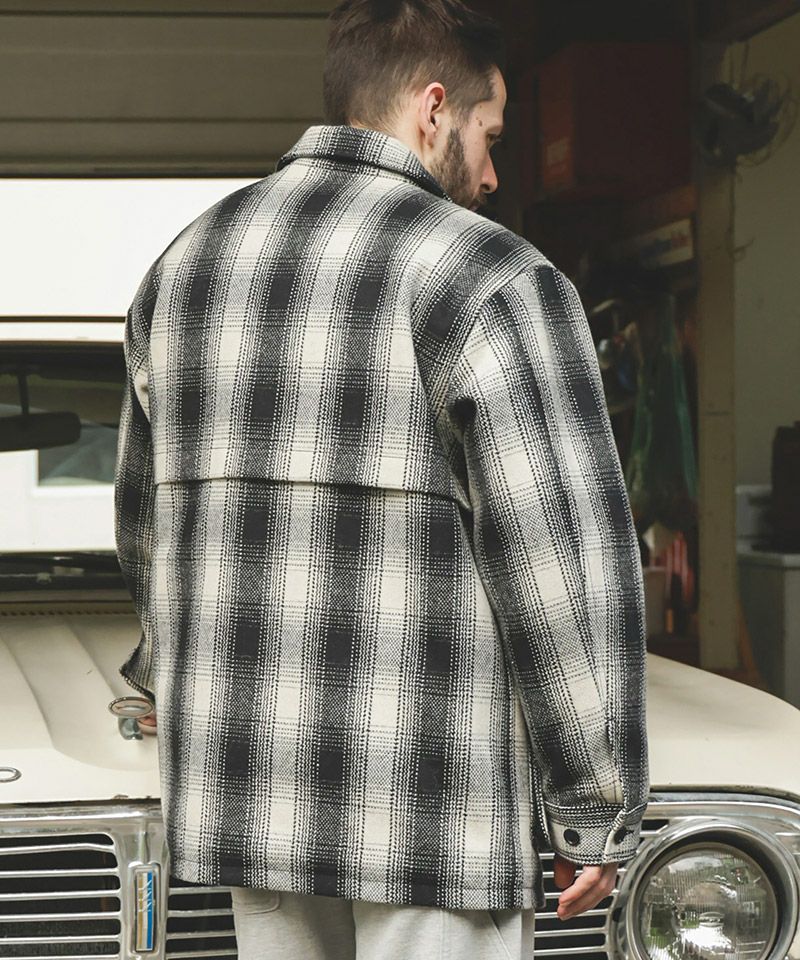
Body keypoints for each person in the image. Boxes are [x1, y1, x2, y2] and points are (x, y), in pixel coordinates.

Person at [113, 1, 650, 957]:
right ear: (433, 109)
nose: (492, 174)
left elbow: (147, 531)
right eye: (491, 136)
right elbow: (565, 566)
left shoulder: (183, 269)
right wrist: (593, 807)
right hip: (433, 809)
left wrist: (162, 678)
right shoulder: (490, 276)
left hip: (247, 796)